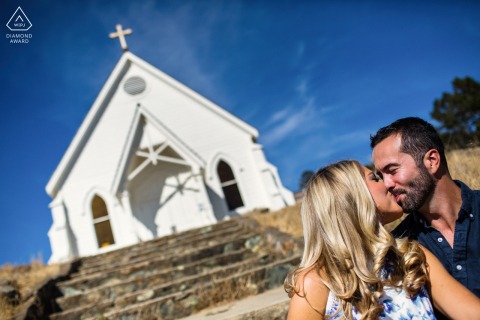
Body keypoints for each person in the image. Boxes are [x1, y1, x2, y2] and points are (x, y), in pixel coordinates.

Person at [285, 160, 480, 319]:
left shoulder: (411, 257)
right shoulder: (317, 283)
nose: (387, 184)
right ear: (351, 197)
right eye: (374, 178)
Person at [370, 117, 480, 297]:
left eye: (392, 170)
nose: (387, 184)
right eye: (381, 176)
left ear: (432, 160)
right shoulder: (398, 247)